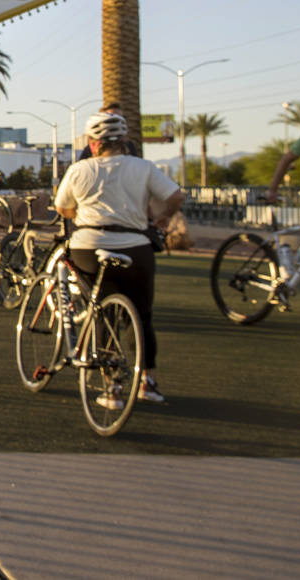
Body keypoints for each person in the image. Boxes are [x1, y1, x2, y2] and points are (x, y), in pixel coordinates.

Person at [54, 111, 184, 406]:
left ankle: (110, 386)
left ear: (93, 143)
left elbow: (62, 208)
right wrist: (162, 219)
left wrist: (84, 215)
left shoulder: (79, 169)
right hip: (136, 247)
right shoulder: (143, 167)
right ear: (125, 141)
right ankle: (147, 382)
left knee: (102, 309)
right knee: (142, 315)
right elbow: (176, 196)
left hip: (89, 247)